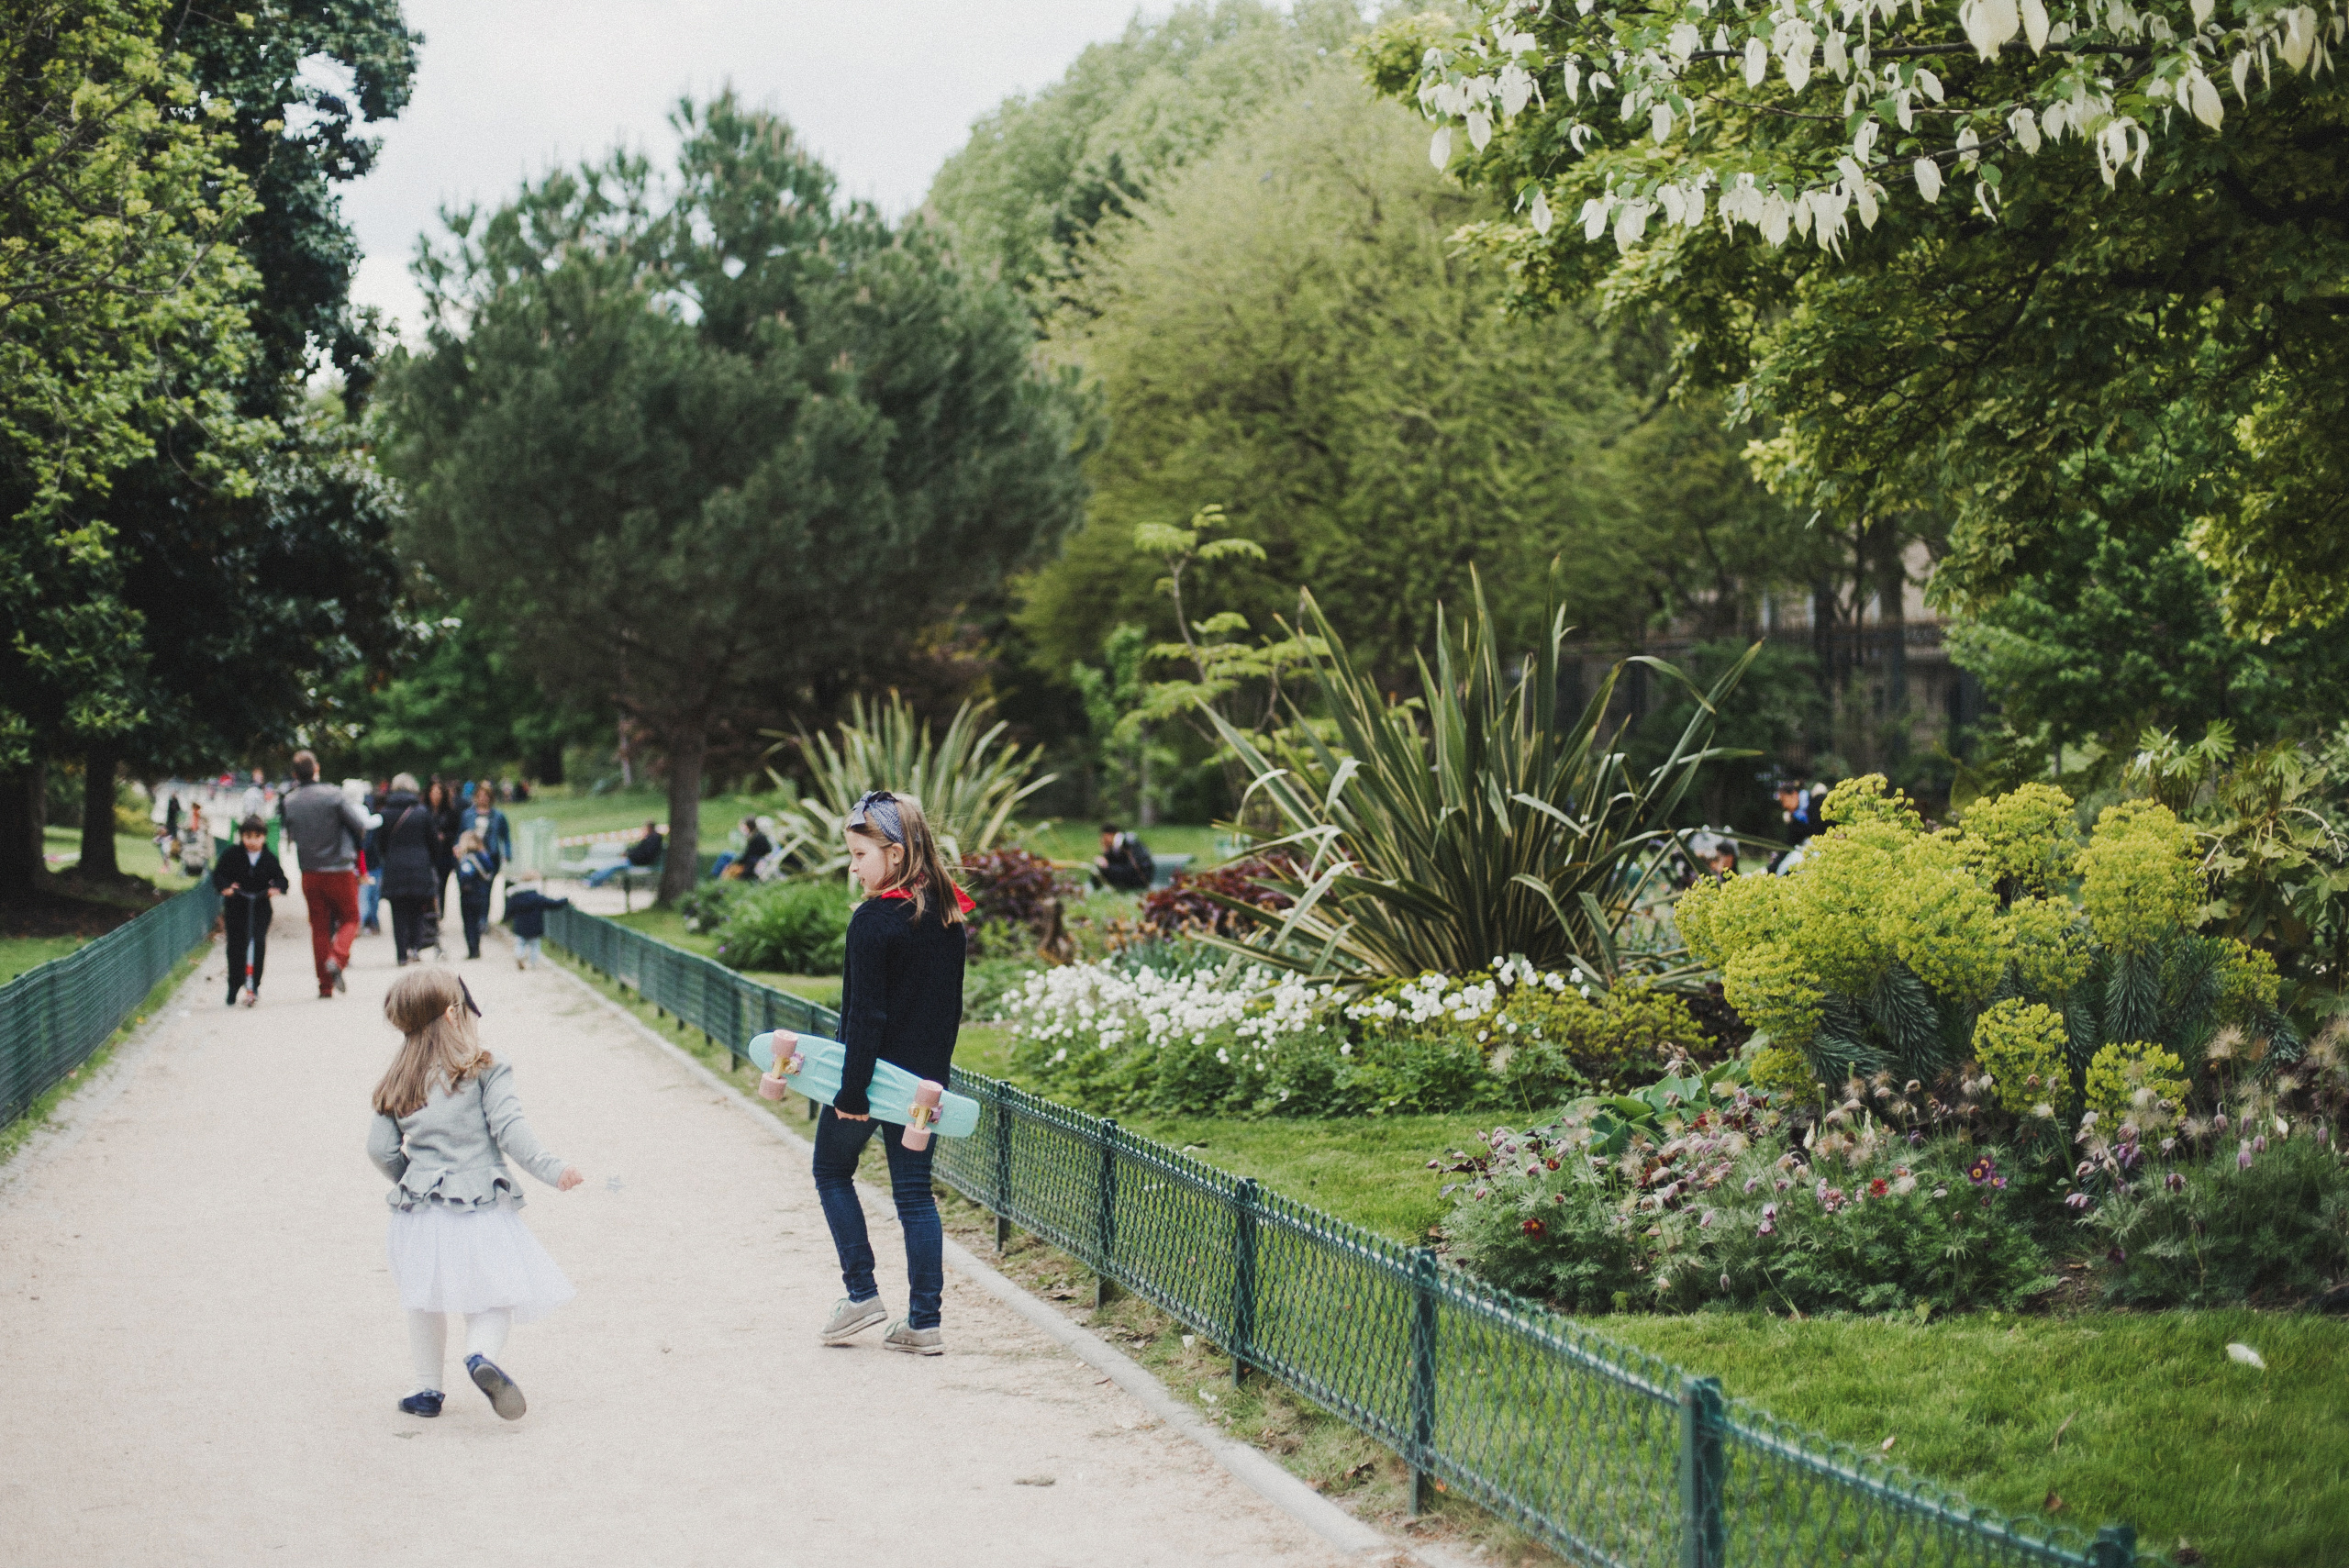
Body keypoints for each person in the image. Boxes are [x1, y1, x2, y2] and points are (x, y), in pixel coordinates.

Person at [367, 967, 582, 1421]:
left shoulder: (396, 1079)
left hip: (418, 1214)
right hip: (480, 1208)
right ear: (452, 1015)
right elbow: (510, 1130)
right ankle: (480, 1356)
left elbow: (380, 1150)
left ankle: (426, 1391)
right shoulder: (484, 1066)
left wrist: (415, 1180)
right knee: (494, 1296)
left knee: (424, 1298)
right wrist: (553, 1169)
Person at [810, 790, 970, 1356]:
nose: (853, 867)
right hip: (921, 1085)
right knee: (914, 1195)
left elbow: (864, 1016)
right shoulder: (948, 915)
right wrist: (936, 1081)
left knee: (830, 1170)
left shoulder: (873, 922)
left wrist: (851, 1092)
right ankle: (924, 1322)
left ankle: (861, 1294)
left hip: (871, 1079)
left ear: (896, 855)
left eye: (859, 855)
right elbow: (948, 1010)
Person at [280, 750, 372, 998]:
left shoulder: (290, 801)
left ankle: (325, 986)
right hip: (339, 869)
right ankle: (338, 958)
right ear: (317, 768)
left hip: (310, 871)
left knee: (319, 928)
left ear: (294, 774)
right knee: (351, 918)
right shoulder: (333, 795)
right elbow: (359, 826)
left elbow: (289, 832)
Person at [213, 816, 288, 1006]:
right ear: (241, 837)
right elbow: (219, 874)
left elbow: (281, 879)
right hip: (238, 905)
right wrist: (227, 887)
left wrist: (276, 888)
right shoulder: (232, 855)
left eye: (257, 836)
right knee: (236, 946)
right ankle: (234, 984)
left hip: (259, 906)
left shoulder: (268, 858)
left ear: (263, 837)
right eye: (248, 837)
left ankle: (254, 983)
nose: (252, 841)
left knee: (258, 943)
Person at [377, 774, 445, 965]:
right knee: (417, 910)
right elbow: (434, 843)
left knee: (397, 912)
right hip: (419, 867)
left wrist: (390, 856)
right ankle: (415, 948)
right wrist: (429, 860)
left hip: (395, 868)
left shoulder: (386, 813)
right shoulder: (422, 813)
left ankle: (400, 954)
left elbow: (380, 843)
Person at [502, 870, 570, 970]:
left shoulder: (515, 895)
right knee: (534, 945)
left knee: (520, 943)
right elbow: (552, 904)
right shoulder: (537, 897)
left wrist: (506, 919)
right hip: (534, 925)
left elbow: (509, 910)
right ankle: (533, 963)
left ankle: (519, 956)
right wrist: (565, 900)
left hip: (520, 925)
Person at [453, 829, 499, 960]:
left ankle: (472, 949)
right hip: (481, 893)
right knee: (477, 921)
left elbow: (463, 875)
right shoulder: (482, 855)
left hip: (467, 894)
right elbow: (490, 868)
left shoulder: (464, 858)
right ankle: (477, 948)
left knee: (468, 922)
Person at [427, 777, 463, 920]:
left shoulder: (451, 812)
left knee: (441, 884)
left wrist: (445, 837)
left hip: (444, 854)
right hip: (430, 854)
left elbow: (456, 831)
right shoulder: (425, 811)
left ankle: (439, 914)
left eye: (438, 792)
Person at [585, 820, 662, 888]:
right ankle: (594, 880)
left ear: (649, 827)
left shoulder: (653, 839)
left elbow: (644, 854)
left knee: (613, 866)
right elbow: (638, 850)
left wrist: (629, 855)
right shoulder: (649, 838)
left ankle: (593, 880)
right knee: (613, 864)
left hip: (637, 862)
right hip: (635, 861)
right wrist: (628, 852)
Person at [460, 782, 513, 866]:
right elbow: (461, 833)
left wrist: (507, 854)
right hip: (471, 854)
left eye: (486, 795)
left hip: (491, 854)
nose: (483, 798)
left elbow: (506, 836)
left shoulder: (498, 816)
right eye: (480, 795)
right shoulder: (467, 815)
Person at [1094, 823, 1153, 891]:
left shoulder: (1129, 844)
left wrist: (1107, 866)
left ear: (1109, 835)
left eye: (1103, 838)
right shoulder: (1114, 848)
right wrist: (1106, 853)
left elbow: (1131, 870)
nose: (1102, 841)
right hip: (1127, 878)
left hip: (1139, 881)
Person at [711, 816, 771, 880]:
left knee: (726, 858)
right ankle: (715, 876)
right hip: (752, 862)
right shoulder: (760, 837)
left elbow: (746, 856)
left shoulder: (755, 839)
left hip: (749, 865)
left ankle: (715, 877)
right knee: (726, 856)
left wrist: (734, 863)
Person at [177, 803, 212, 879]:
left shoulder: (203, 817)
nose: (196, 810)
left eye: (197, 808)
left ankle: (204, 871)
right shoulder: (190, 817)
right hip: (189, 838)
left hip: (200, 839)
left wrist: (202, 827)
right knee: (185, 852)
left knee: (203, 852)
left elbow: (207, 826)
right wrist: (183, 827)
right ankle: (185, 870)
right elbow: (185, 826)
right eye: (194, 808)